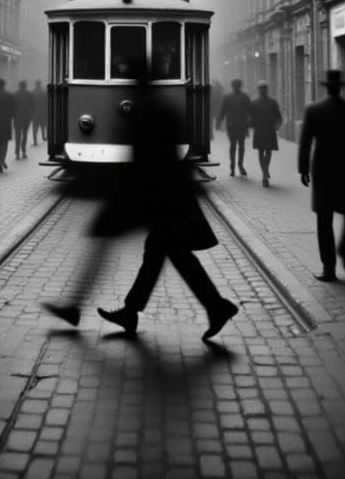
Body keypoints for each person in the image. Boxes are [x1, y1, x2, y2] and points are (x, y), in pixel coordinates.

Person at [45, 62, 239, 342]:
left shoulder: (146, 111)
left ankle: (82, 307)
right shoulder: (163, 109)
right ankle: (198, 307)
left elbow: (144, 162)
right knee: (166, 253)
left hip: (149, 195)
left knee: (116, 245)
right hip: (163, 196)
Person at [298, 70, 345, 281]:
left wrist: (303, 169)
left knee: (324, 220)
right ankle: (343, 247)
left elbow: (306, 142)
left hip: (323, 168)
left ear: (327, 87)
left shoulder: (314, 109)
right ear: (340, 87)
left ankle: (329, 268)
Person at [215, 78, 252, 177]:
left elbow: (223, 111)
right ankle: (238, 164)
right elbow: (250, 112)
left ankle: (234, 166)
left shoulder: (228, 97)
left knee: (234, 146)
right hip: (240, 125)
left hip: (233, 125)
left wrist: (219, 121)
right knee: (240, 145)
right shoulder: (244, 97)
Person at [250, 80, 283, 188]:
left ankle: (265, 172)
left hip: (266, 129)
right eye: (261, 88)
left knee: (266, 151)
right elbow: (251, 116)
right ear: (259, 89)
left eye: (264, 87)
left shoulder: (271, 102)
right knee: (262, 151)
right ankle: (264, 173)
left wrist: (278, 124)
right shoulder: (255, 102)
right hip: (262, 129)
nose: (263, 89)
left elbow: (278, 116)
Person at [13, 80, 33, 160]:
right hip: (26, 118)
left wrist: (13, 115)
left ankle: (17, 151)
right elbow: (32, 105)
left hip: (17, 118)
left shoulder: (15, 94)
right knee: (24, 135)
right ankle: (23, 151)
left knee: (17, 135)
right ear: (25, 86)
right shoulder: (28, 94)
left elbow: (12, 106)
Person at [31, 79, 47, 146]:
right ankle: (43, 137)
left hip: (35, 113)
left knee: (35, 128)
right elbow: (46, 102)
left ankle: (35, 141)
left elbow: (31, 103)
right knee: (43, 126)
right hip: (43, 112)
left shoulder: (33, 92)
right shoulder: (44, 92)